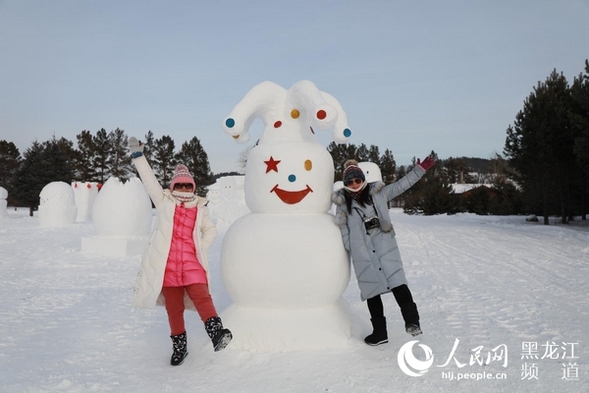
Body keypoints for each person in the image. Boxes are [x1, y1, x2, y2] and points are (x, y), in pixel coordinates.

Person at [128, 136, 232, 366]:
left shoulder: (199, 207)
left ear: (193, 187)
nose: (184, 189)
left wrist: (199, 248)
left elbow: (211, 230)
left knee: (202, 297)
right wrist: (138, 156)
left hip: (192, 264)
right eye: (180, 185)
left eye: (188, 185)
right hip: (167, 267)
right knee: (174, 309)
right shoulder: (164, 202)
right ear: (173, 186)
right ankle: (179, 347)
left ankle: (217, 333)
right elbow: (149, 181)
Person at [331, 156, 435, 346]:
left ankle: (412, 322)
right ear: (346, 183)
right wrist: (351, 245)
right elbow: (342, 227)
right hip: (362, 253)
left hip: (384, 247)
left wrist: (419, 169)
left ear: (363, 179)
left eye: (357, 179)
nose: (354, 184)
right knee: (372, 292)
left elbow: (402, 185)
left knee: (398, 282)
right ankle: (380, 333)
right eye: (350, 181)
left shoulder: (378, 193)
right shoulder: (342, 204)